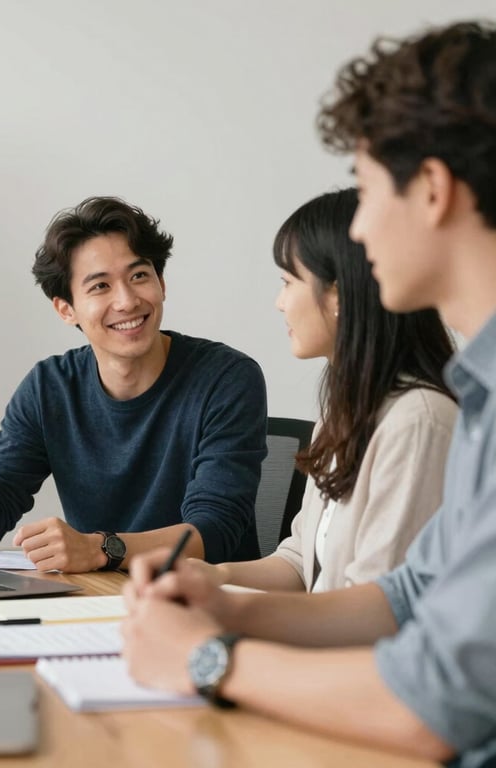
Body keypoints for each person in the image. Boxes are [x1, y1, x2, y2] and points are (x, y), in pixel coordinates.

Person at [121, 20, 496, 766]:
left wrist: (210, 658)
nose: (358, 226)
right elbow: (407, 593)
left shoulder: (441, 412)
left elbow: (435, 704)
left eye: (363, 191)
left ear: (430, 190)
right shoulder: (480, 397)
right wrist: (224, 604)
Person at [0, 196, 267, 573]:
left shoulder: (226, 377)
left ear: (161, 283)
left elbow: (215, 532)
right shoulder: (49, 388)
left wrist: (103, 549)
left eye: (139, 276)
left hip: (204, 604)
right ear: (66, 309)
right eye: (100, 286)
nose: (126, 301)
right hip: (99, 602)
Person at [191, 188, 457, 593]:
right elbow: (300, 563)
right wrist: (212, 577)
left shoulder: (417, 421)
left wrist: (234, 611)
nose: (280, 303)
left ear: (337, 294)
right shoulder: (340, 415)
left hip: (355, 653)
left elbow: (376, 607)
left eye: (287, 281)